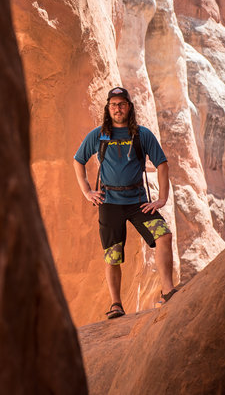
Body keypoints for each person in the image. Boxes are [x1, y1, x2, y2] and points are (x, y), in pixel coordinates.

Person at [73, 87, 177, 319]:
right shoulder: (98, 135)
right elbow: (78, 160)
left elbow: (162, 164)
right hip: (110, 203)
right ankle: (116, 304)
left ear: (129, 107)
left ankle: (168, 290)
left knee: (164, 235)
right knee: (113, 254)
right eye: (113, 105)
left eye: (122, 104)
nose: (118, 109)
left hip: (138, 202)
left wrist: (162, 199)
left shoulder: (142, 135)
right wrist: (87, 191)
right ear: (108, 109)